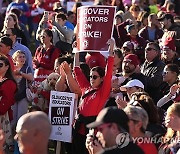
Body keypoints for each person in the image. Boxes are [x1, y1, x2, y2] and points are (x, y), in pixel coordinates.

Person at [72, 39, 114, 154]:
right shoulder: (86, 88)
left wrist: (111, 49)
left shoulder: (103, 92)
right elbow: (76, 71)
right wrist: (76, 51)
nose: (91, 79)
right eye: (90, 76)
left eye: (95, 77)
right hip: (78, 127)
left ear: (101, 79)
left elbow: (109, 71)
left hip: (92, 130)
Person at [12, 50, 33, 126]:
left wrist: (21, 73)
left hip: (23, 95)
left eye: (24, 57)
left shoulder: (27, 68)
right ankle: (10, 136)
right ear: (15, 59)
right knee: (12, 119)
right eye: (20, 57)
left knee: (21, 118)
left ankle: (20, 137)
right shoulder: (11, 68)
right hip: (12, 96)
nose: (22, 58)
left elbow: (31, 78)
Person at [0, 55, 17, 149]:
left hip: (2, 116)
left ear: (7, 67)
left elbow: (6, 102)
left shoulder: (9, 83)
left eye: (0, 65)